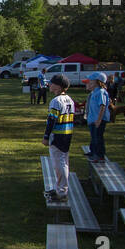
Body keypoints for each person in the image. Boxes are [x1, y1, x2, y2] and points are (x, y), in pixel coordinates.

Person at [42, 73, 75, 204]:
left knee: (58, 164)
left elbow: (51, 120)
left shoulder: (56, 101)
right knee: (63, 161)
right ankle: (60, 188)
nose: (49, 85)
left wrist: (46, 137)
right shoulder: (69, 99)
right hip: (67, 134)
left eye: (51, 83)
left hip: (57, 135)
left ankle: (62, 191)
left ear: (58, 86)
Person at [85, 72, 110, 163]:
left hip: (98, 120)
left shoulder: (101, 92)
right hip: (92, 119)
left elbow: (102, 106)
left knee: (98, 138)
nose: (89, 83)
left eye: (91, 81)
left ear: (98, 82)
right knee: (93, 137)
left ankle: (99, 155)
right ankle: (93, 152)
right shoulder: (94, 92)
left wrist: (99, 119)